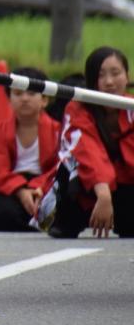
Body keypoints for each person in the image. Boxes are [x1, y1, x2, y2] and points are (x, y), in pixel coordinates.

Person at [40, 47, 134, 239]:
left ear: (127, 76)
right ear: (91, 81)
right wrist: (104, 194)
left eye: (116, 73)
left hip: (123, 186)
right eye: (101, 75)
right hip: (83, 189)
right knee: (69, 170)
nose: (109, 82)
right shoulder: (76, 109)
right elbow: (86, 151)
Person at [0, 67, 60, 231]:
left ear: (44, 99)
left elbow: (59, 167)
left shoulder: (57, 131)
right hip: (11, 188)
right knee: (2, 211)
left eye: (31, 94)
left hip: (44, 184)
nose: (24, 99)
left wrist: (38, 188)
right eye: (17, 93)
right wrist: (21, 191)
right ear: (9, 99)